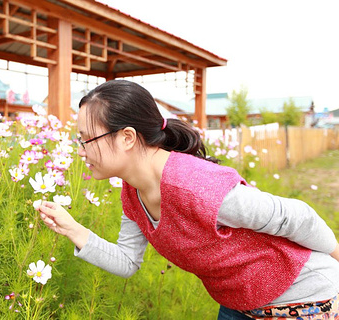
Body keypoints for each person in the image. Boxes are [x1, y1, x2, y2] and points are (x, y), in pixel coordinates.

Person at [37, 80, 339, 319]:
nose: (80, 150)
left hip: (305, 299)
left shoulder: (195, 186)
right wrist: (72, 229)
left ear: (127, 137)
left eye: (86, 139)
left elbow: (298, 217)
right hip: (241, 304)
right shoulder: (132, 193)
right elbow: (128, 262)